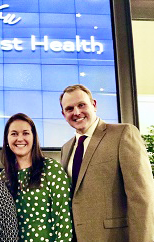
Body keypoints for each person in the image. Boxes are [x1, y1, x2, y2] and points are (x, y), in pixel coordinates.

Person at [59, 84, 154, 241]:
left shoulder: (123, 134)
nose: (76, 112)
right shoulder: (66, 148)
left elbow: (142, 197)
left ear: (94, 105)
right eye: (69, 109)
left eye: (81, 105)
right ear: (63, 114)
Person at [0, 113, 72, 241]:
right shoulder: (4, 177)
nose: (20, 138)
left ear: (34, 138)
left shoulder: (50, 168)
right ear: (7, 140)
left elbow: (63, 219)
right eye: (14, 134)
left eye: (25, 133)